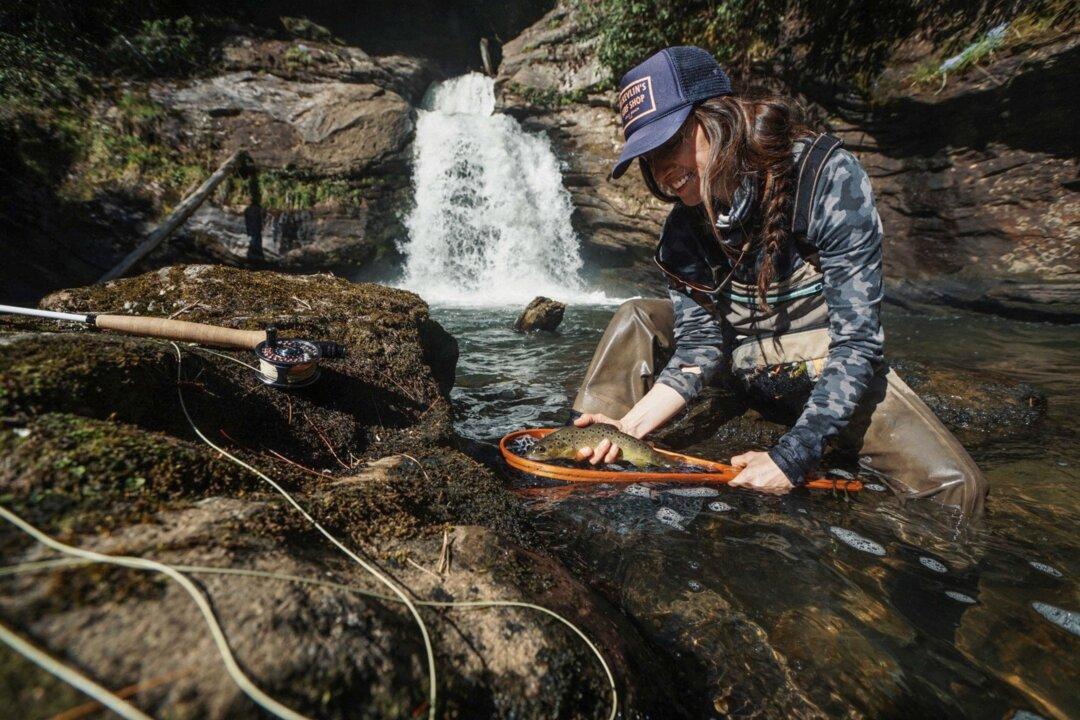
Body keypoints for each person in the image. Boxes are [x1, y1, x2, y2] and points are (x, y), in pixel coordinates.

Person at [570, 46, 988, 518]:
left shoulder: (825, 177)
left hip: (815, 362)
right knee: (637, 316)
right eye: (647, 157)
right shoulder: (681, 233)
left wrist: (792, 457)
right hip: (739, 359)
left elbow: (858, 343)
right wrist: (628, 427)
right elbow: (699, 346)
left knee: (957, 488)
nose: (662, 174)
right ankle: (588, 445)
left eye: (669, 143)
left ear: (720, 118)